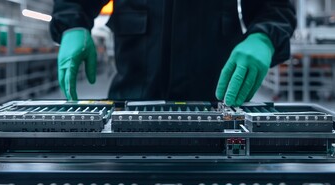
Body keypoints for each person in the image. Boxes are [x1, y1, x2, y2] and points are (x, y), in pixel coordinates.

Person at [50, 0, 296, 106]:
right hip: (129, 104)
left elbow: (275, 7)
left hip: (215, 105)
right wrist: (73, 24)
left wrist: (264, 36)